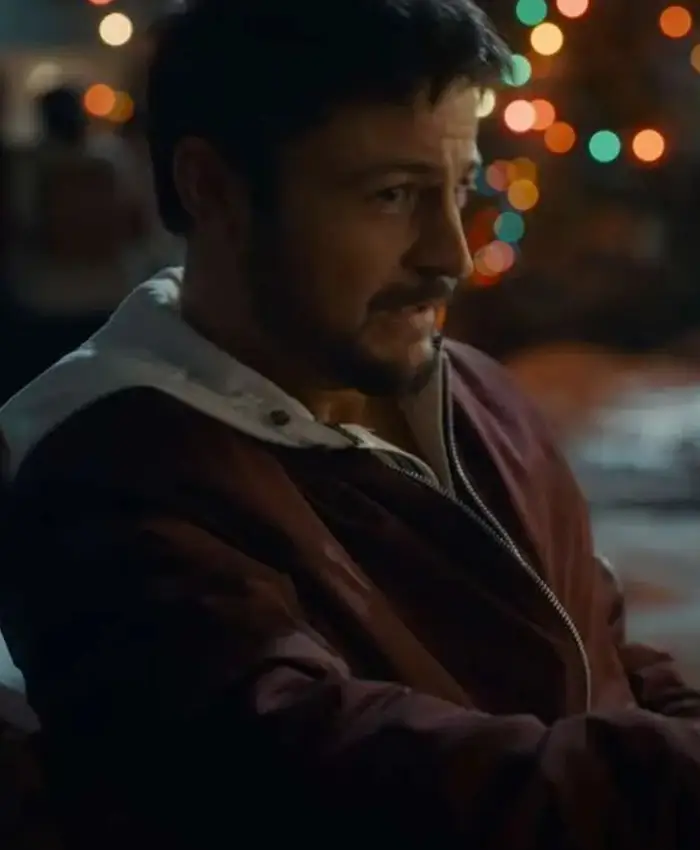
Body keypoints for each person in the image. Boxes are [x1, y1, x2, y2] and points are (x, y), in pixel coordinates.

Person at [0, 0, 699, 846]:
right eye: (392, 195)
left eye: (460, 189)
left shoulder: (480, 394)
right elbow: (335, 778)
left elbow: (608, 657)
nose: (452, 254)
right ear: (211, 188)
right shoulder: (104, 480)